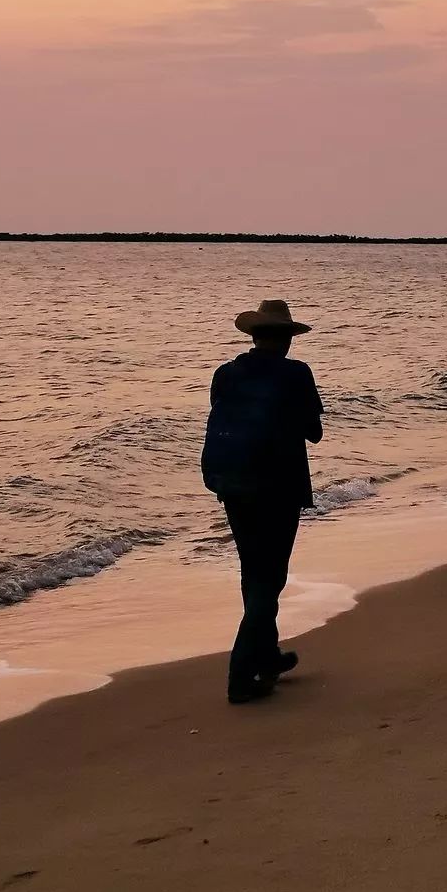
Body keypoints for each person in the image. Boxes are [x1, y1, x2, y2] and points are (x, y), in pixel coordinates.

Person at [202, 299, 323, 704]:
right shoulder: (295, 374)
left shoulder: (226, 374)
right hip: (279, 487)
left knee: (253, 571)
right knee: (269, 578)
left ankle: (267, 656)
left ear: (253, 336)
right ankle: (240, 674)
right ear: (288, 339)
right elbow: (314, 431)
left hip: (232, 484)